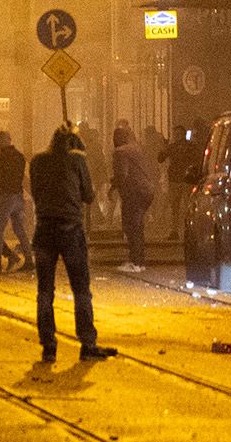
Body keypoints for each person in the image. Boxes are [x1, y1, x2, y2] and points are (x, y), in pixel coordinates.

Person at [28, 124, 117, 364]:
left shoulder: (37, 162)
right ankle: (87, 343)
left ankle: (48, 347)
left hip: (44, 230)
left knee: (45, 292)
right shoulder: (77, 161)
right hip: (70, 229)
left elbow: (35, 193)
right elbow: (88, 195)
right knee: (80, 290)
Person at [111, 121, 159, 272]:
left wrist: (113, 187)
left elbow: (122, 174)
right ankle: (138, 260)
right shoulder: (136, 149)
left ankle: (136, 261)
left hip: (134, 192)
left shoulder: (120, 152)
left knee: (131, 226)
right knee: (137, 226)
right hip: (146, 190)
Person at [0, 130, 30, 272]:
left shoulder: (2, 156)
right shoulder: (20, 156)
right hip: (18, 196)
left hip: (7, 195)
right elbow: (22, 177)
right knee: (19, 229)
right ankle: (29, 260)